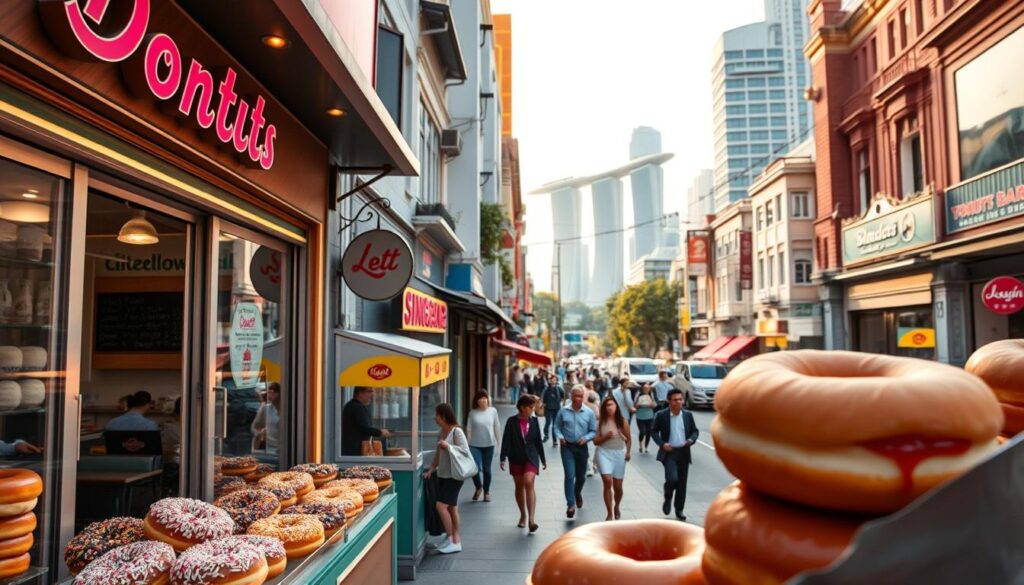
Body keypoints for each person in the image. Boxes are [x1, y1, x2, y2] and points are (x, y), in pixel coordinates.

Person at [422, 403, 468, 554]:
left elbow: (465, 451)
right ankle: (455, 539)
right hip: (444, 474)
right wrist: (431, 469)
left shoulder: (457, 432)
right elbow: (438, 454)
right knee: (452, 507)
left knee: (440, 506)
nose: (435, 418)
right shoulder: (442, 432)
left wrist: (448, 446)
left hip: (455, 476)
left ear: (443, 416)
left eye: (437, 415)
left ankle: (451, 539)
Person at [499, 395, 547, 533]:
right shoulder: (511, 422)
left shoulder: (534, 421)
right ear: (522, 408)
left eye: (533, 407)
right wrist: (503, 458)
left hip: (531, 457)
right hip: (515, 457)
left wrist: (543, 459)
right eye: (530, 407)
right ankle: (523, 515)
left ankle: (532, 520)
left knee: (528, 481)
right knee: (519, 486)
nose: (533, 410)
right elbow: (506, 440)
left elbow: (538, 441)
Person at [652, 389, 700, 521]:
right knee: (672, 479)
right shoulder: (662, 415)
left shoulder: (688, 415)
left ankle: (679, 510)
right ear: (669, 401)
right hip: (670, 452)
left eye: (680, 399)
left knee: (682, 484)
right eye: (675, 400)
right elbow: (654, 432)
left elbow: (695, 431)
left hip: (684, 452)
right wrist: (662, 444)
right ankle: (667, 498)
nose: (678, 402)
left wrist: (691, 439)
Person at [552, 385, 597, 519]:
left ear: (583, 397)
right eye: (575, 395)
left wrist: (586, 438)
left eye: (580, 396)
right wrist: (560, 436)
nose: (577, 398)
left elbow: (593, 431)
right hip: (567, 447)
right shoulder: (563, 411)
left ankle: (577, 493)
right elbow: (556, 426)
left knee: (581, 476)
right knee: (569, 475)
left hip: (581, 447)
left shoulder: (589, 413)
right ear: (570, 396)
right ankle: (570, 504)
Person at [593, 396, 631, 520]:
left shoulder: (622, 421)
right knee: (607, 480)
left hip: (619, 454)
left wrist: (628, 452)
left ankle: (617, 506)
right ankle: (609, 513)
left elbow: (629, 439)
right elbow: (595, 441)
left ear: (616, 406)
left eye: (612, 404)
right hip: (604, 453)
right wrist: (606, 437)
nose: (610, 407)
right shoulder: (600, 422)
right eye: (607, 405)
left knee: (618, 486)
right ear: (604, 408)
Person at [466, 391, 501, 502]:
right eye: (480, 398)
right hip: (474, 445)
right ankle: (478, 487)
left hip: (489, 445)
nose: (482, 400)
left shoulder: (493, 411)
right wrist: (467, 445)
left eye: (484, 398)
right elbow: (469, 430)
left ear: (488, 399)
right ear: (476, 401)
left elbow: (497, 427)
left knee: (486, 470)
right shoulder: (472, 413)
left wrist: (499, 443)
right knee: (474, 469)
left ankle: (486, 492)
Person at [341, 387, 391, 456]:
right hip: (354, 452)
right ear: (360, 393)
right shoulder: (357, 407)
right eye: (369, 391)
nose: (372, 395)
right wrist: (380, 432)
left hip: (351, 451)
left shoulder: (352, 405)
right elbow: (364, 427)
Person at [251, 382, 281, 453]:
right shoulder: (266, 409)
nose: (269, 396)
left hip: (285, 450)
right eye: (268, 393)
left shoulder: (289, 410)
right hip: (270, 451)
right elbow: (255, 427)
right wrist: (259, 433)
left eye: (272, 392)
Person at [541, 375, 564, 446]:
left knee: (555, 425)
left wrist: (560, 401)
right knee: (548, 423)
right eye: (552, 379)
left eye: (555, 380)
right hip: (548, 409)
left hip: (557, 409)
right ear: (549, 381)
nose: (553, 381)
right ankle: (546, 435)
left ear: (557, 381)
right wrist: (543, 404)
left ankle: (554, 440)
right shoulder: (546, 389)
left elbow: (563, 396)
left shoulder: (559, 389)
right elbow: (543, 397)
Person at [634, 384, 657, 453]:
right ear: (642, 388)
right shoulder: (638, 394)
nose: (647, 390)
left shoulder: (651, 394)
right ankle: (641, 446)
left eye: (648, 388)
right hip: (640, 416)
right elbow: (635, 405)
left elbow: (655, 404)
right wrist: (638, 405)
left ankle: (646, 447)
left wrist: (652, 405)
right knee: (642, 431)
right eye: (645, 388)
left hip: (649, 416)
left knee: (649, 432)